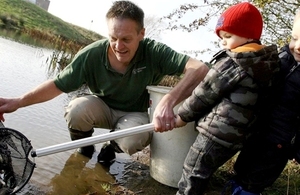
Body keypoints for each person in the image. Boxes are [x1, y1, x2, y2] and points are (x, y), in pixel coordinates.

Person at [0, 0, 208, 166]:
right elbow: (57, 85)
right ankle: (85, 147)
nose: (119, 46)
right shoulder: (92, 54)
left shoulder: (154, 51)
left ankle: (111, 147)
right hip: (102, 106)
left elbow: (200, 68)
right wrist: (19, 101)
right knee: (76, 110)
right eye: (113, 38)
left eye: (126, 39)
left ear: (141, 34)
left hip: (133, 113)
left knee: (136, 138)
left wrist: (169, 100)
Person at [171, 2, 280, 195]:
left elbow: (204, 93)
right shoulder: (268, 63)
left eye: (228, 36)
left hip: (215, 133)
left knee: (192, 172)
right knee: (205, 173)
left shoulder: (234, 63)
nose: (223, 42)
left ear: (249, 35)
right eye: (222, 37)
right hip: (239, 138)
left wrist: (182, 117)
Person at [228, 10, 300, 195]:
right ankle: (235, 185)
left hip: (279, 141)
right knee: (244, 163)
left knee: (258, 175)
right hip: (258, 127)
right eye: (294, 38)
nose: (297, 46)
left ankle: (247, 191)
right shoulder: (283, 57)